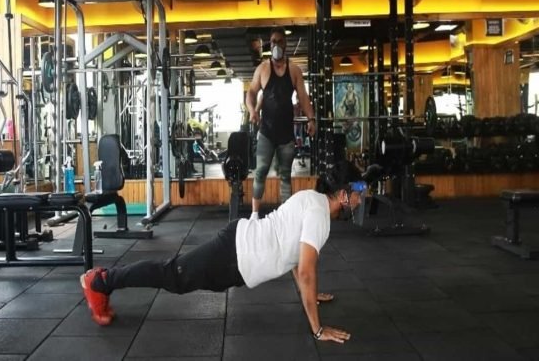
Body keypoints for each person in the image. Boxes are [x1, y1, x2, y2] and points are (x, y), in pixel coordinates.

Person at [80, 161, 363, 344]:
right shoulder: (319, 216)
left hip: (237, 249)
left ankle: (104, 279)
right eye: (358, 191)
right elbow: (306, 271)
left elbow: (292, 253)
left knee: (174, 274)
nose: (361, 198)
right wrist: (318, 329)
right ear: (343, 194)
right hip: (234, 255)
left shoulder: (310, 199)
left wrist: (308, 293)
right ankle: (101, 281)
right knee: (173, 275)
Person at [246, 26, 316, 220]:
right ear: (270, 45)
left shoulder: (294, 70)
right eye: (273, 41)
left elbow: (303, 97)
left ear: (285, 44)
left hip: (286, 134)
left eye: (280, 41)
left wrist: (311, 119)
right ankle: (254, 215)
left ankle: (285, 217)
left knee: (285, 175)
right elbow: (251, 92)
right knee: (260, 172)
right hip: (266, 132)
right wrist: (252, 111)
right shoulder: (262, 69)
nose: (276, 44)